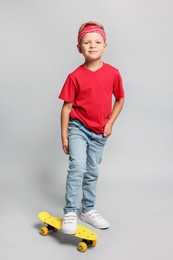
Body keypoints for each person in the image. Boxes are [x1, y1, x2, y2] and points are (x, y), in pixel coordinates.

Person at [58, 21, 125, 234]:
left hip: (99, 132)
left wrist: (110, 123)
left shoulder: (113, 73)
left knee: (92, 171)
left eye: (97, 42)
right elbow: (66, 108)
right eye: (87, 42)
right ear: (79, 48)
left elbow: (120, 99)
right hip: (78, 127)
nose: (92, 45)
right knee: (77, 167)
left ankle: (87, 209)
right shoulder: (74, 76)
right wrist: (64, 136)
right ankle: (70, 211)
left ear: (105, 46)